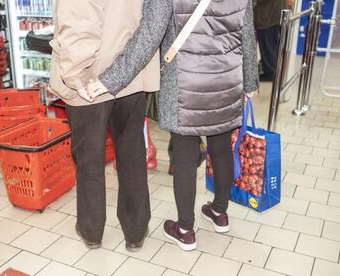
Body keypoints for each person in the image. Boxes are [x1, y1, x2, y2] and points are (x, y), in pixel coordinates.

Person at [86, 0, 259, 251]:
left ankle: (185, 230)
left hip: (185, 86)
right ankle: (220, 213)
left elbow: (147, 38)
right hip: (225, 81)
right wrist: (250, 81)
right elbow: (247, 35)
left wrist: (109, 80)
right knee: (221, 150)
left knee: (186, 159)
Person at [48, 0, 161, 252]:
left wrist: (76, 77)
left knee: (89, 157)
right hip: (131, 72)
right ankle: (136, 230)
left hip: (90, 78)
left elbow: (78, 20)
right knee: (131, 151)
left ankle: (91, 230)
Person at [254, 0, 293, 81]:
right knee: (271, 45)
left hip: (269, 14)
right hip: (275, 13)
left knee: (268, 45)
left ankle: (270, 72)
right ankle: (270, 69)